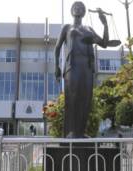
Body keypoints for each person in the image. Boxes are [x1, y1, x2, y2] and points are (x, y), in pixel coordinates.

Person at [54, 1, 119, 138]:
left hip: (87, 67)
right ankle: (70, 132)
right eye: (75, 7)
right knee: (73, 98)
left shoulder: (89, 29)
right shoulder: (67, 28)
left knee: (85, 99)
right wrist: (56, 66)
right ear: (72, 11)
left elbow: (104, 43)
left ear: (84, 12)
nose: (78, 8)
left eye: (81, 7)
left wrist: (105, 24)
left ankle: (80, 132)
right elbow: (57, 47)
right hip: (72, 66)